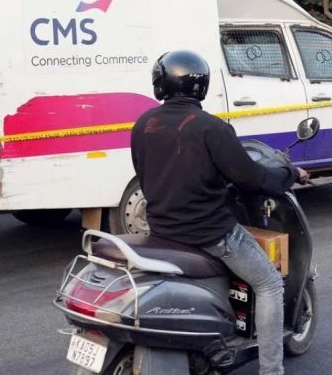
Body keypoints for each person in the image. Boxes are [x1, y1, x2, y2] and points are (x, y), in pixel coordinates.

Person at [130, 50, 309, 375]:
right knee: (269, 283)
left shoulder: (143, 125)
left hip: (162, 230)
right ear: (201, 86)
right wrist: (291, 174)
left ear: (161, 84)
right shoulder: (211, 128)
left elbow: (149, 174)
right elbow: (254, 179)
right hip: (209, 233)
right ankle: (272, 370)